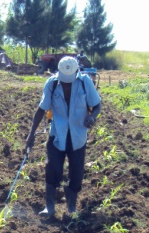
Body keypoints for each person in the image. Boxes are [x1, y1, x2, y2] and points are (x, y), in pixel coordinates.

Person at [25, 56, 101, 219]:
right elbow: (41, 109)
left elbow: (97, 105)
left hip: (78, 136)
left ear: (76, 73)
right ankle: (49, 207)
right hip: (57, 135)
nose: (67, 83)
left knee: (77, 173)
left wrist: (92, 117)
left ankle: (71, 207)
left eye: (69, 80)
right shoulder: (52, 83)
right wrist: (31, 134)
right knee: (53, 170)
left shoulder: (85, 82)